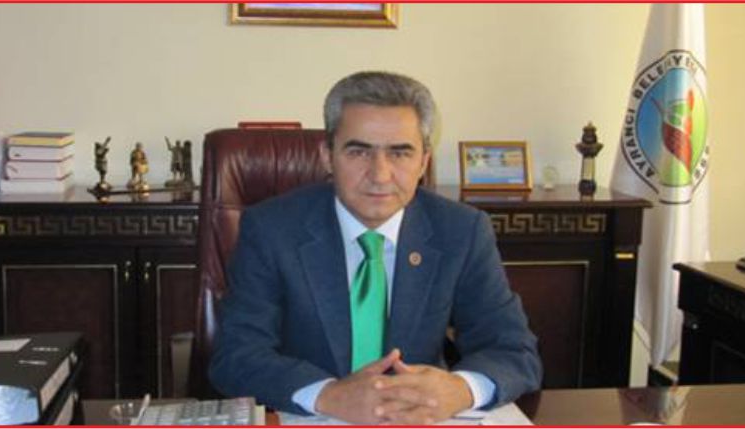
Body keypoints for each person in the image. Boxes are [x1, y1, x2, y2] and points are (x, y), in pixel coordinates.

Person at [209, 71, 541, 425]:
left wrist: (460, 389)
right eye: (358, 151)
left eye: (400, 153)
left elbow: (514, 350)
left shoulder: (461, 231)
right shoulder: (271, 229)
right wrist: (328, 395)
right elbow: (236, 355)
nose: (380, 174)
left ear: (423, 162)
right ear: (327, 155)